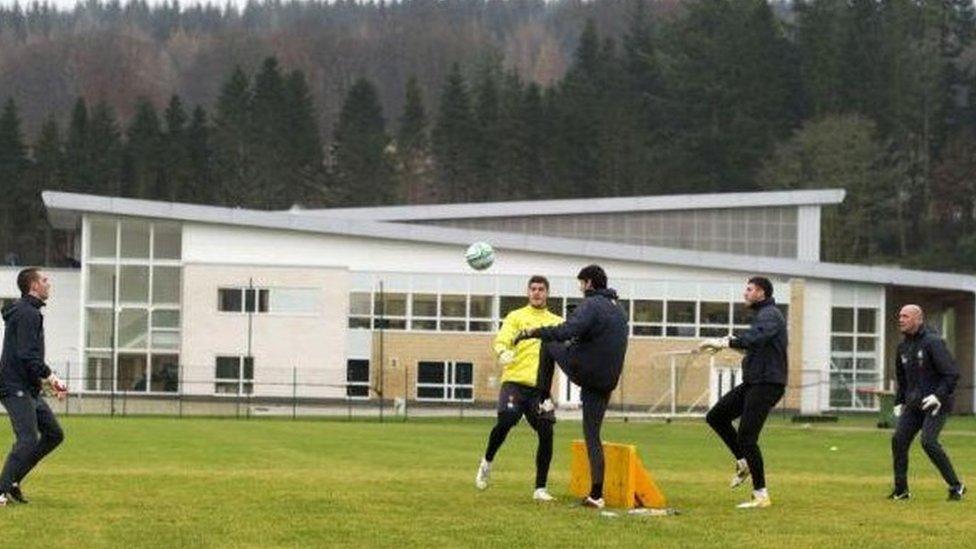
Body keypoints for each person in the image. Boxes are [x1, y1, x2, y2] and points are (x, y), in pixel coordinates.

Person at [514, 265, 628, 509]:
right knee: (592, 435)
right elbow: (600, 337)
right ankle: (597, 496)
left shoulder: (591, 304)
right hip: (606, 380)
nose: (580, 289)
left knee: (547, 341)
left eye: (581, 284)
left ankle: (543, 398)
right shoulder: (620, 310)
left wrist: (533, 331)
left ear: (589, 283)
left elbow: (567, 330)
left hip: (586, 371)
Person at [699, 276, 786, 509]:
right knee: (716, 417)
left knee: (747, 438)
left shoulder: (770, 315)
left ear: (762, 293)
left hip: (767, 384)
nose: (745, 293)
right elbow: (758, 346)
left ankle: (761, 495)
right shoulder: (763, 316)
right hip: (754, 382)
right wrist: (729, 344)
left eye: (749, 289)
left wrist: (726, 342)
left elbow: (757, 337)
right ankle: (743, 462)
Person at [475, 276, 563, 501]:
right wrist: (503, 352)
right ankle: (487, 462)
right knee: (507, 419)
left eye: (541, 289)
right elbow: (501, 341)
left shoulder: (556, 321)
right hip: (514, 382)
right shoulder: (516, 317)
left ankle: (540, 488)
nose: (536, 293)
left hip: (540, 390)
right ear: (528, 292)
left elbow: (567, 347)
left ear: (547, 293)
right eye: (533, 289)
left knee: (547, 433)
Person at [0, 268, 67, 507]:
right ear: (33, 286)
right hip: (14, 386)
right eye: (44, 280)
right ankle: (1, 490)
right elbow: (27, 355)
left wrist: (43, 385)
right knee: (27, 439)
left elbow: (26, 357)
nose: (48, 283)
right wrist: (52, 377)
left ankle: (13, 481)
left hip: (28, 388)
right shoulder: (28, 313)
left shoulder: (29, 312)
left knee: (54, 434)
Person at [888, 304, 965, 501]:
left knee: (928, 442)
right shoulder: (903, 347)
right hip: (914, 404)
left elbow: (952, 374)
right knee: (898, 441)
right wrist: (899, 401)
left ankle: (956, 486)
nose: (901, 319)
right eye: (900, 316)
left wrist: (938, 396)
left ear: (918, 319)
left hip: (936, 403)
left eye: (905, 316)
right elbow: (902, 379)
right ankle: (901, 490)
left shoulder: (933, 342)